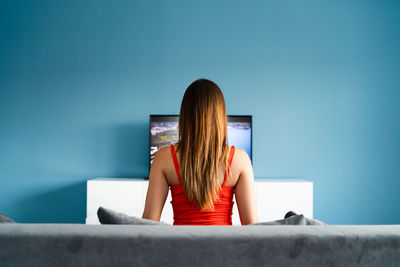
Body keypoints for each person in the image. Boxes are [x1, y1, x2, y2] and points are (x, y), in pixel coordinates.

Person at [142, 79, 259, 225]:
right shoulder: (240, 159)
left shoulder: (163, 158)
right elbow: (253, 228)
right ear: (220, 115)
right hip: (224, 247)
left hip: (180, 247)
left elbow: (148, 225)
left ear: (184, 115)